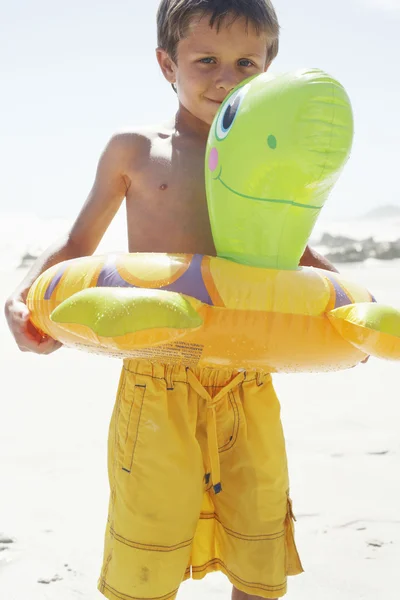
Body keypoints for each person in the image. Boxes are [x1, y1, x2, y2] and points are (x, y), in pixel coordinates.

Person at [4, 1, 339, 598]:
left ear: (270, 68)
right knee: (148, 546)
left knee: (257, 538)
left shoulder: (269, 167)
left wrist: (346, 315)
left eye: (246, 63)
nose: (226, 78)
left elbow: (297, 258)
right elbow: (78, 242)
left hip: (248, 377)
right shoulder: (135, 151)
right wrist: (26, 298)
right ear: (167, 65)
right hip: (156, 377)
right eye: (205, 60)